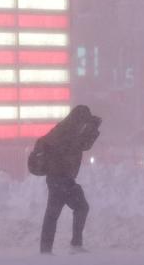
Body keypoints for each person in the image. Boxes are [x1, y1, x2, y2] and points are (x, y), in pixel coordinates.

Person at [38, 105, 101, 254]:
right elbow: (83, 145)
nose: (84, 123)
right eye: (84, 120)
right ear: (79, 118)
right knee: (80, 207)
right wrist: (93, 128)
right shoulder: (67, 132)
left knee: (53, 214)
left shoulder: (63, 128)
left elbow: (79, 144)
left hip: (57, 178)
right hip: (62, 178)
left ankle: (46, 249)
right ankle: (74, 245)